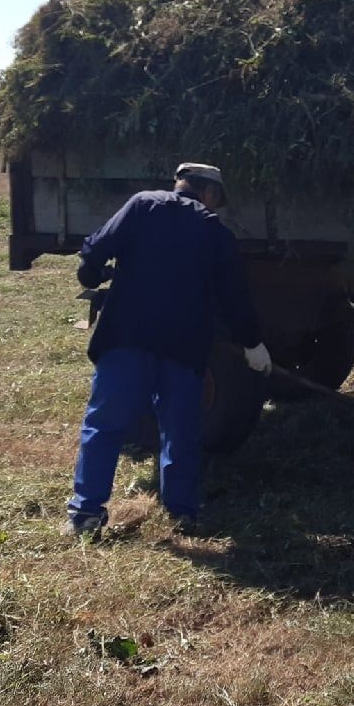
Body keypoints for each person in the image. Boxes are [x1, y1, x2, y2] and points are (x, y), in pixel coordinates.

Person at [65, 162, 272, 537]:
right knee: (180, 430)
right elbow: (233, 298)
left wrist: (91, 273)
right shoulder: (214, 231)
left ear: (179, 184)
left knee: (105, 425)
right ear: (209, 193)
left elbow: (95, 251)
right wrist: (252, 342)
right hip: (183, 345)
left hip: (128, 337)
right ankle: (182, 513)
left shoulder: (142, 205)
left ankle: (85, 515)